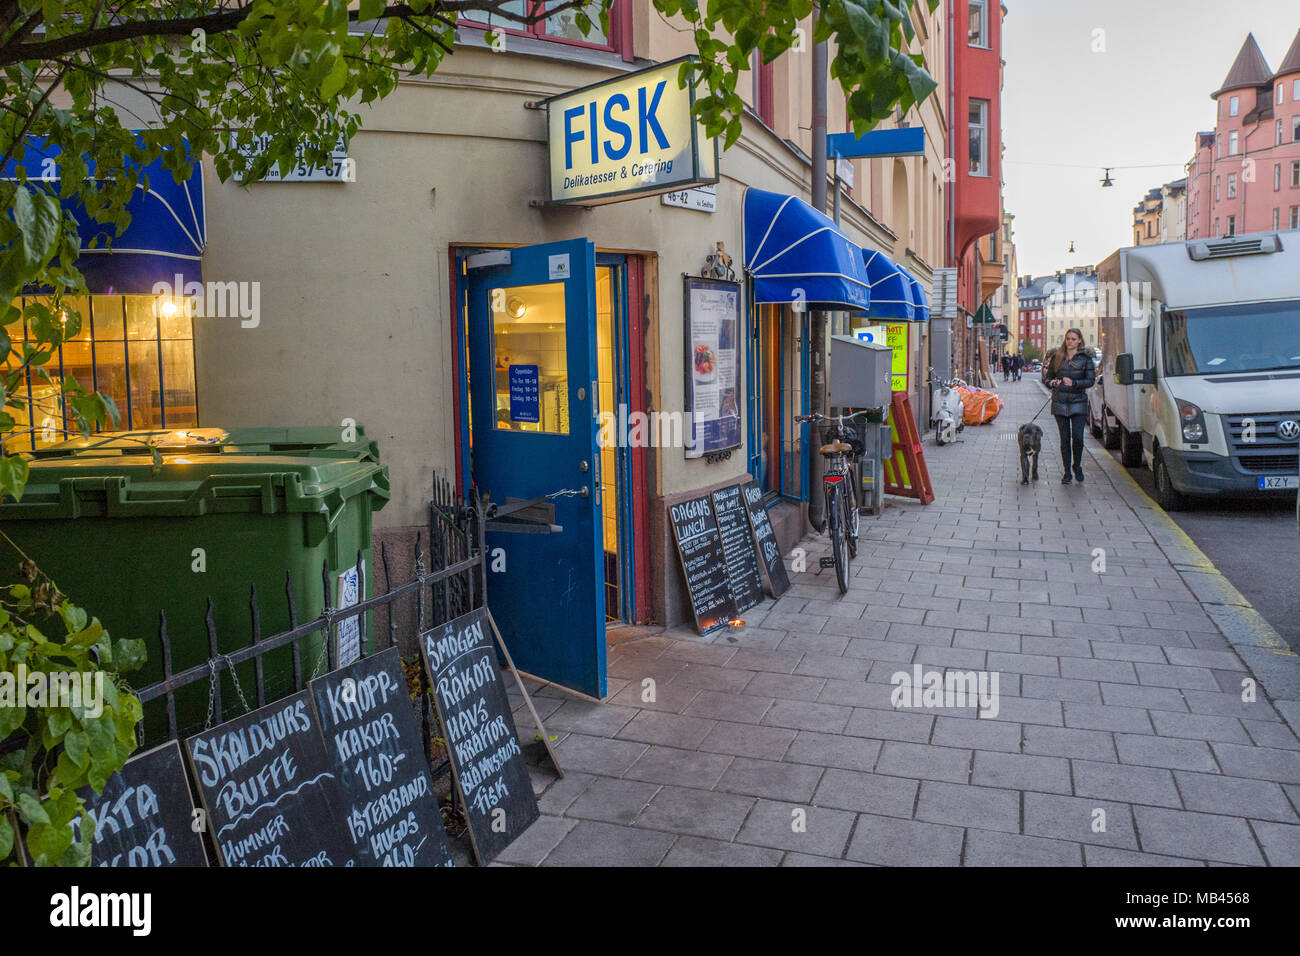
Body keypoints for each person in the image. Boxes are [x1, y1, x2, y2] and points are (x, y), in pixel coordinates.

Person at [1042, 327, 1096, 484]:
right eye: (1068, 338)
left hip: (1078, 402)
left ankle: (1077, 466)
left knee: (1078, 438)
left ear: (1079, 340)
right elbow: (1048, 377)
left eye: (1073, 339)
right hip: (1060, 402)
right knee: (1064, 439)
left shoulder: (1085, 359)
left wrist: (1074, 383)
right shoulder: (1057, 356)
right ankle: (1067, 472)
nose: (1070, 341)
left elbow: (1090, 381)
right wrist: (1052, 382)